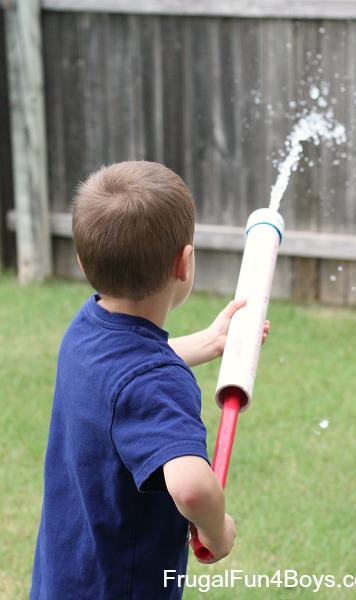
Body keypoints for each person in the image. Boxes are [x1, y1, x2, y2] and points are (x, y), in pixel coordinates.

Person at [30, 161, 269, 599]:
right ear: (185, 262)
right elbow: (193, 488)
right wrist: (217, 531)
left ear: (84, 264)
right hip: (124, 585)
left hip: (65, 574)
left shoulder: (85, 331)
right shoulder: (157, 384)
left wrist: (210, 341)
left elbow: (123, 378)